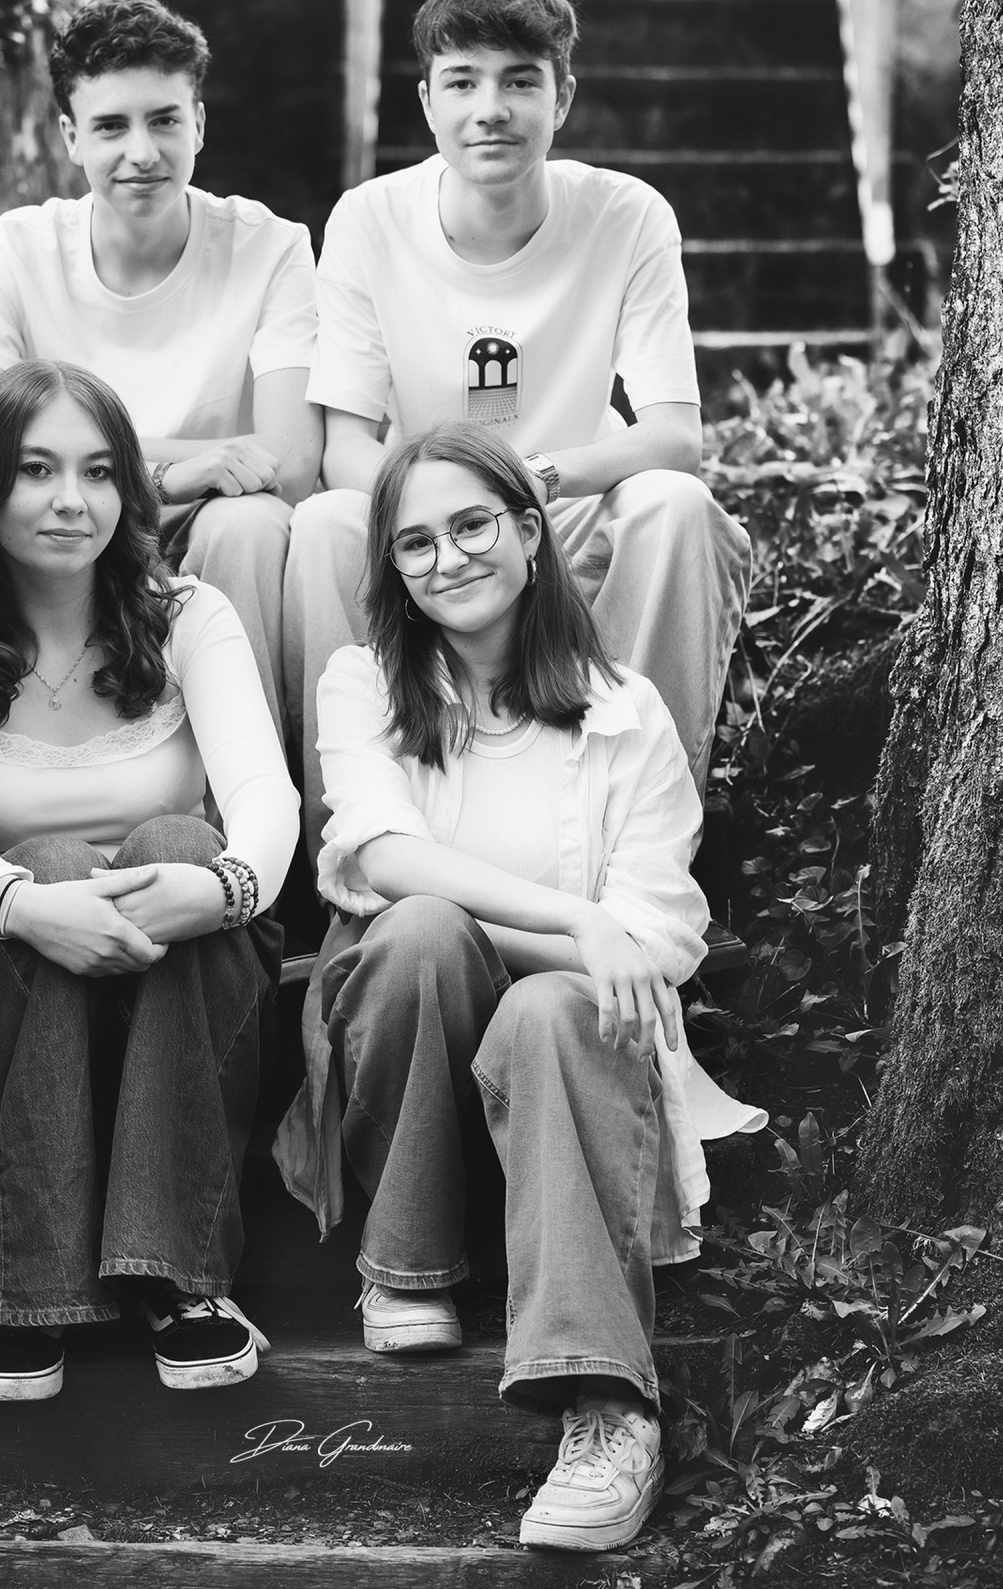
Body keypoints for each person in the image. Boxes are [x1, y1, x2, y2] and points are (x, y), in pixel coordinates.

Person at [275, 420, 764, 1552]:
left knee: (551, 1004)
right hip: (405, 1043)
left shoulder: (622, 710)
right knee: (419, 932)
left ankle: (607, 1412)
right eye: (413, 543)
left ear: (530, 532)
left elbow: (656, 945)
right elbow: (377, 856)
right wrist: (572, 918)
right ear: (390, 569)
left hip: (567, 1064)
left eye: (470, 525)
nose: (446, 558)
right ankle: (405, 1264)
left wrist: (582, 948)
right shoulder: (363, 685)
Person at [0, 360, 299, 1401]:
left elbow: (265, 796)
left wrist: (229, 887)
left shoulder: (188, 616)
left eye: (100, 472)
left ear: (129, 493)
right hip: (20, 967)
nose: (72, 500)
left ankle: (180, 1279)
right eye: (36, 471)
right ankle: (33, 1289)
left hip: (187, 954)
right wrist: (33, 906)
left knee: (176, 839)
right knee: (50, 858)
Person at [284, 0, 750, 857]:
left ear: (562, 95)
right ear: (426, 102)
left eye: (519, 81)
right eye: (462, 82)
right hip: (423, 524)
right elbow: (344, 445)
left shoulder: (627, 215)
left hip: (563, 510)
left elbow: (675, 437)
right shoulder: (369, 219)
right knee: (325, 524)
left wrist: (530, 487)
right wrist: (448, 517)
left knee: (674, 506)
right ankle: (346, 849)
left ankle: (649, 838)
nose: (489, 108)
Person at [0, 0, 324, 736]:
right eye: (110, 126)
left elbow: (288, 463)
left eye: (164, 119)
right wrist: (176, 469)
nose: (142, 152)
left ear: (199, 121)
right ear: (70, 136)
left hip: (207, 521)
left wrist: (72, 454)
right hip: (69, 512)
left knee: (251, 527)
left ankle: (247, 801)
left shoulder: (272, 245)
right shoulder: (17, 245)